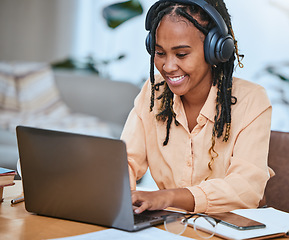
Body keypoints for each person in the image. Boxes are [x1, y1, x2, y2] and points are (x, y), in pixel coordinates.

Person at [121, 0, 274, 214]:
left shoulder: (251, 99)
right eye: (160, 53)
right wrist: (121, 197)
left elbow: (246, 188)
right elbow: (125, 159)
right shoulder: (154, 92)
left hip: (228, 228)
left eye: (181, 54)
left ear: (215, 50)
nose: (168, 66)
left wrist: (168, 197)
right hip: (174, 225)